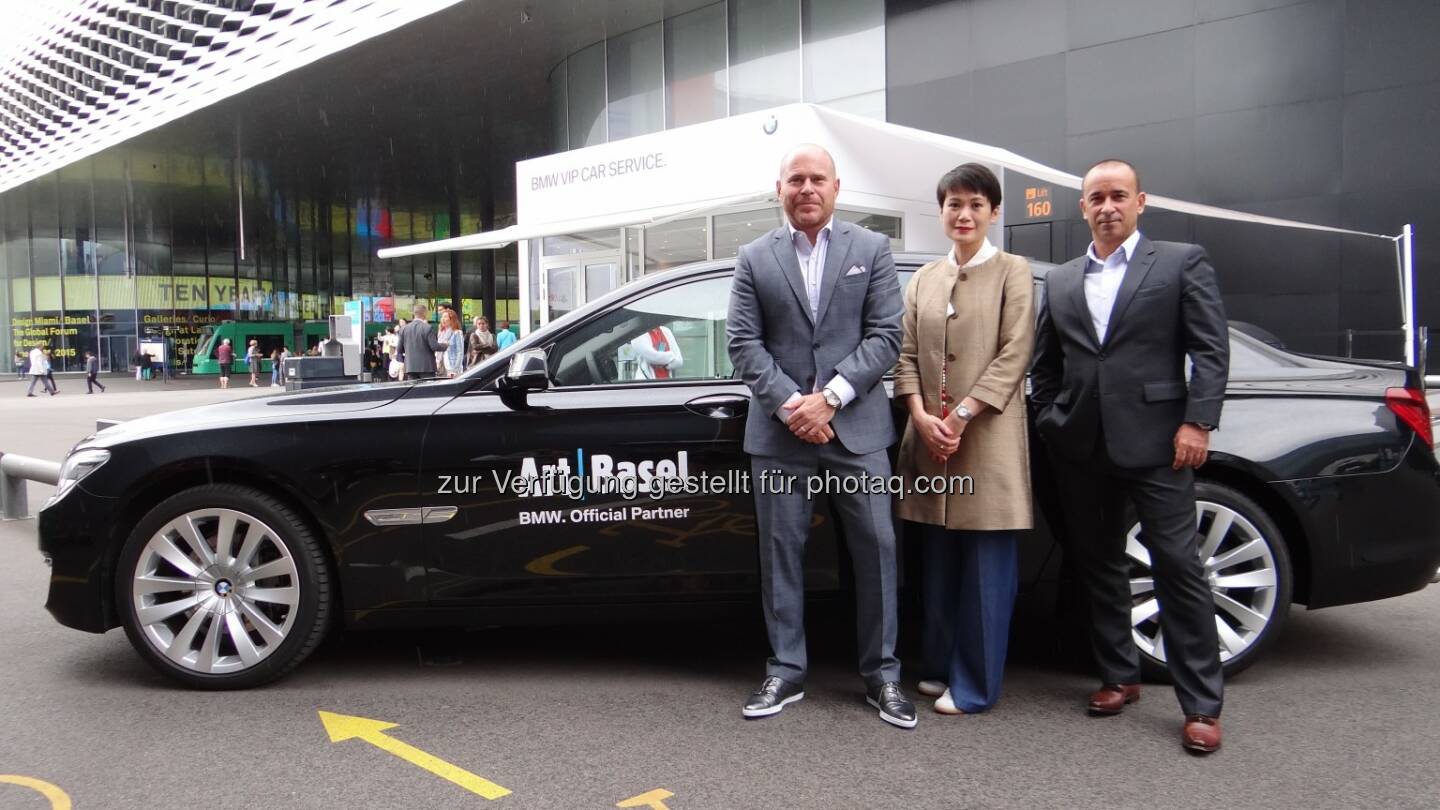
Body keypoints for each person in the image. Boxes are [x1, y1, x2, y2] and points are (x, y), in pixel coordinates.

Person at [1030, 159, 1230, 754]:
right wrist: (1050, 418)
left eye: (1119, 196)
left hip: (1159, 445)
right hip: (1081, 446)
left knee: (1177, 567)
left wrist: (1197, 421)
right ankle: (1119, 676)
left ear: (1141, 201)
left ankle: (1201, 705)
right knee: (1098, 565)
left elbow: (1210, 349)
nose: (1107, 206)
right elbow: (1046, 364)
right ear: (1083, 207)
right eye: (1096, 198)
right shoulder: (1062, 279)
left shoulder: (1178, 262)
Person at [727, 144, 913, 728]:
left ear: (837, 188)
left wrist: (830, 397)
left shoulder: (871, 249)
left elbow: (886, 335)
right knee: (781, 555)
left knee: (877, 552)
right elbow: (743, 344)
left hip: (856, 429)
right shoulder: (754, 257)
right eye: (795, 180)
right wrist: (792, 407)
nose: (807, 189)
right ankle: (785, 670)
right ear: (778, 189)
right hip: (782, 435)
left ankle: (883, 676)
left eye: (817, 179)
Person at [893, 163, 1035, 716]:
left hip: (986, 438)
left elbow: (1015, 352)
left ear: (993, 212)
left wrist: (960, 417)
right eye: (954, 203)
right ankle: (939, 666)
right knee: (938, 563)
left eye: (976, 204)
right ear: (942, 211)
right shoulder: (925, 278)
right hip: (929, 439)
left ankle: (975, 686)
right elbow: (905, 356)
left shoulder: (1013, 271)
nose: (964, 214)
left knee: (985, 568)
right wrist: (923, 416)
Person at [395, 304, 442, 380]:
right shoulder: (427, 327)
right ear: (425, 313)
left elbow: (399, 349)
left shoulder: (403, 329)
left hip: (410, 367)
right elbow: (434, 346)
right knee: (428, 389)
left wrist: (409, 350)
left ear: (414, 313)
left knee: (413, 391)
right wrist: (446, 345)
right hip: (427, 367)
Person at [437, 308, 464, 378]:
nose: (443, 319)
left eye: (445, 317)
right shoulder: (441, 333)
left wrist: (455, 369)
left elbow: (460, 352)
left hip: (452, 367)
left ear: (452, 319)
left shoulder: (457, 333)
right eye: (442, 317)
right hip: (441, 365)